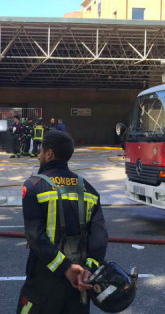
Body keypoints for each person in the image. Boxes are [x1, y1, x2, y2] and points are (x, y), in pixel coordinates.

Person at [16, 130, 108, 314]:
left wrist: (65, 267)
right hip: (80, 281)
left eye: (40, 151)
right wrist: (89, 268)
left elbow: (36, 237)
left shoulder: (34, 187)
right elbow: (99, 237)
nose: (38, 156)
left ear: (49, 154)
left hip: (44, 279)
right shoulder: (89, 189)